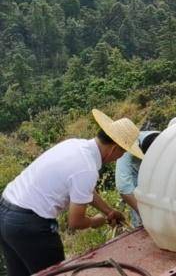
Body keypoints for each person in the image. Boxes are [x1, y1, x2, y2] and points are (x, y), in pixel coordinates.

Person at [0, 110, 138, 276]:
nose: (119, 157)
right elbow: (75, 222)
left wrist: (108, 211)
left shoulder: (74, 144)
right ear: (114, 148)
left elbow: (83, 188)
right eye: (122, 153)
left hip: (6, 212)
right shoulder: (87, 168)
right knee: (55, 273)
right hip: (30, 225)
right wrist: (95, 221)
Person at [115, 131, 160, 228]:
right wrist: (144, 215)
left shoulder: (165, 140)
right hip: (137, 189)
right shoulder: (128, 147)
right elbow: (123, 187)